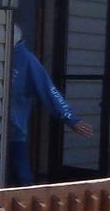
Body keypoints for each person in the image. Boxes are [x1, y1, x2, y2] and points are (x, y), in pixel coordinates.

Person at [8, 36, 94, 185]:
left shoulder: (27, 60)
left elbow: (48, 90)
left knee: (23, 179)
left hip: (14, 131)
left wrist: (70, 118)